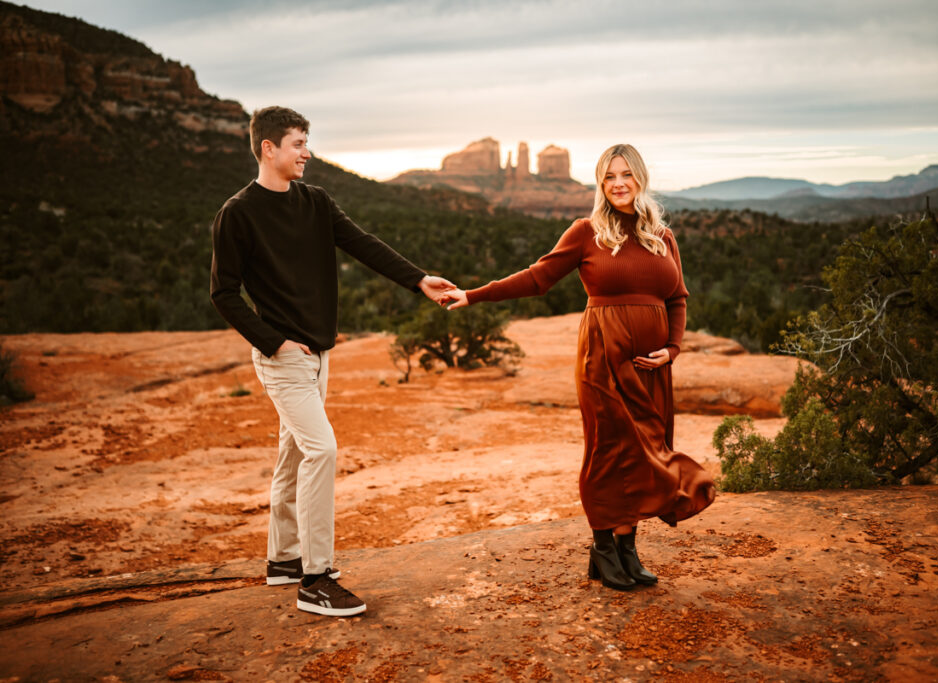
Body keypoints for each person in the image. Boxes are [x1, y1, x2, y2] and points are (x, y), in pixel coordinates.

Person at [210, 106, 455, 616]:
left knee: (295, 455)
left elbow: (363, 244)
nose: (308, 153)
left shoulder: (316, 202)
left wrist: (417, 279)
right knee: (322, 450)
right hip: (284, 359)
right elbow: (223, 293)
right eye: (299, 144)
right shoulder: (238, 213)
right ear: (268, 149)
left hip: (318, 355)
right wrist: (273, 342)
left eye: (307, 142)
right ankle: (315, 579)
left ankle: (283, 560)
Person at [447, 144, 716, 590]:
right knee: (609, 448)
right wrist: (473, 294)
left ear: (640, 178)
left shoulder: (662, 237)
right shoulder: (586, 231)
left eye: (626, 175)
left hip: (652, 368)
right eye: (609, 177)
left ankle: (627, 549)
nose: (619, 184)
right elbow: (537, 278)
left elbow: (677, 298)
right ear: (600, 183)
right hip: (602, 357)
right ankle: (603, 546)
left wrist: (673, 348)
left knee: (645, 448)